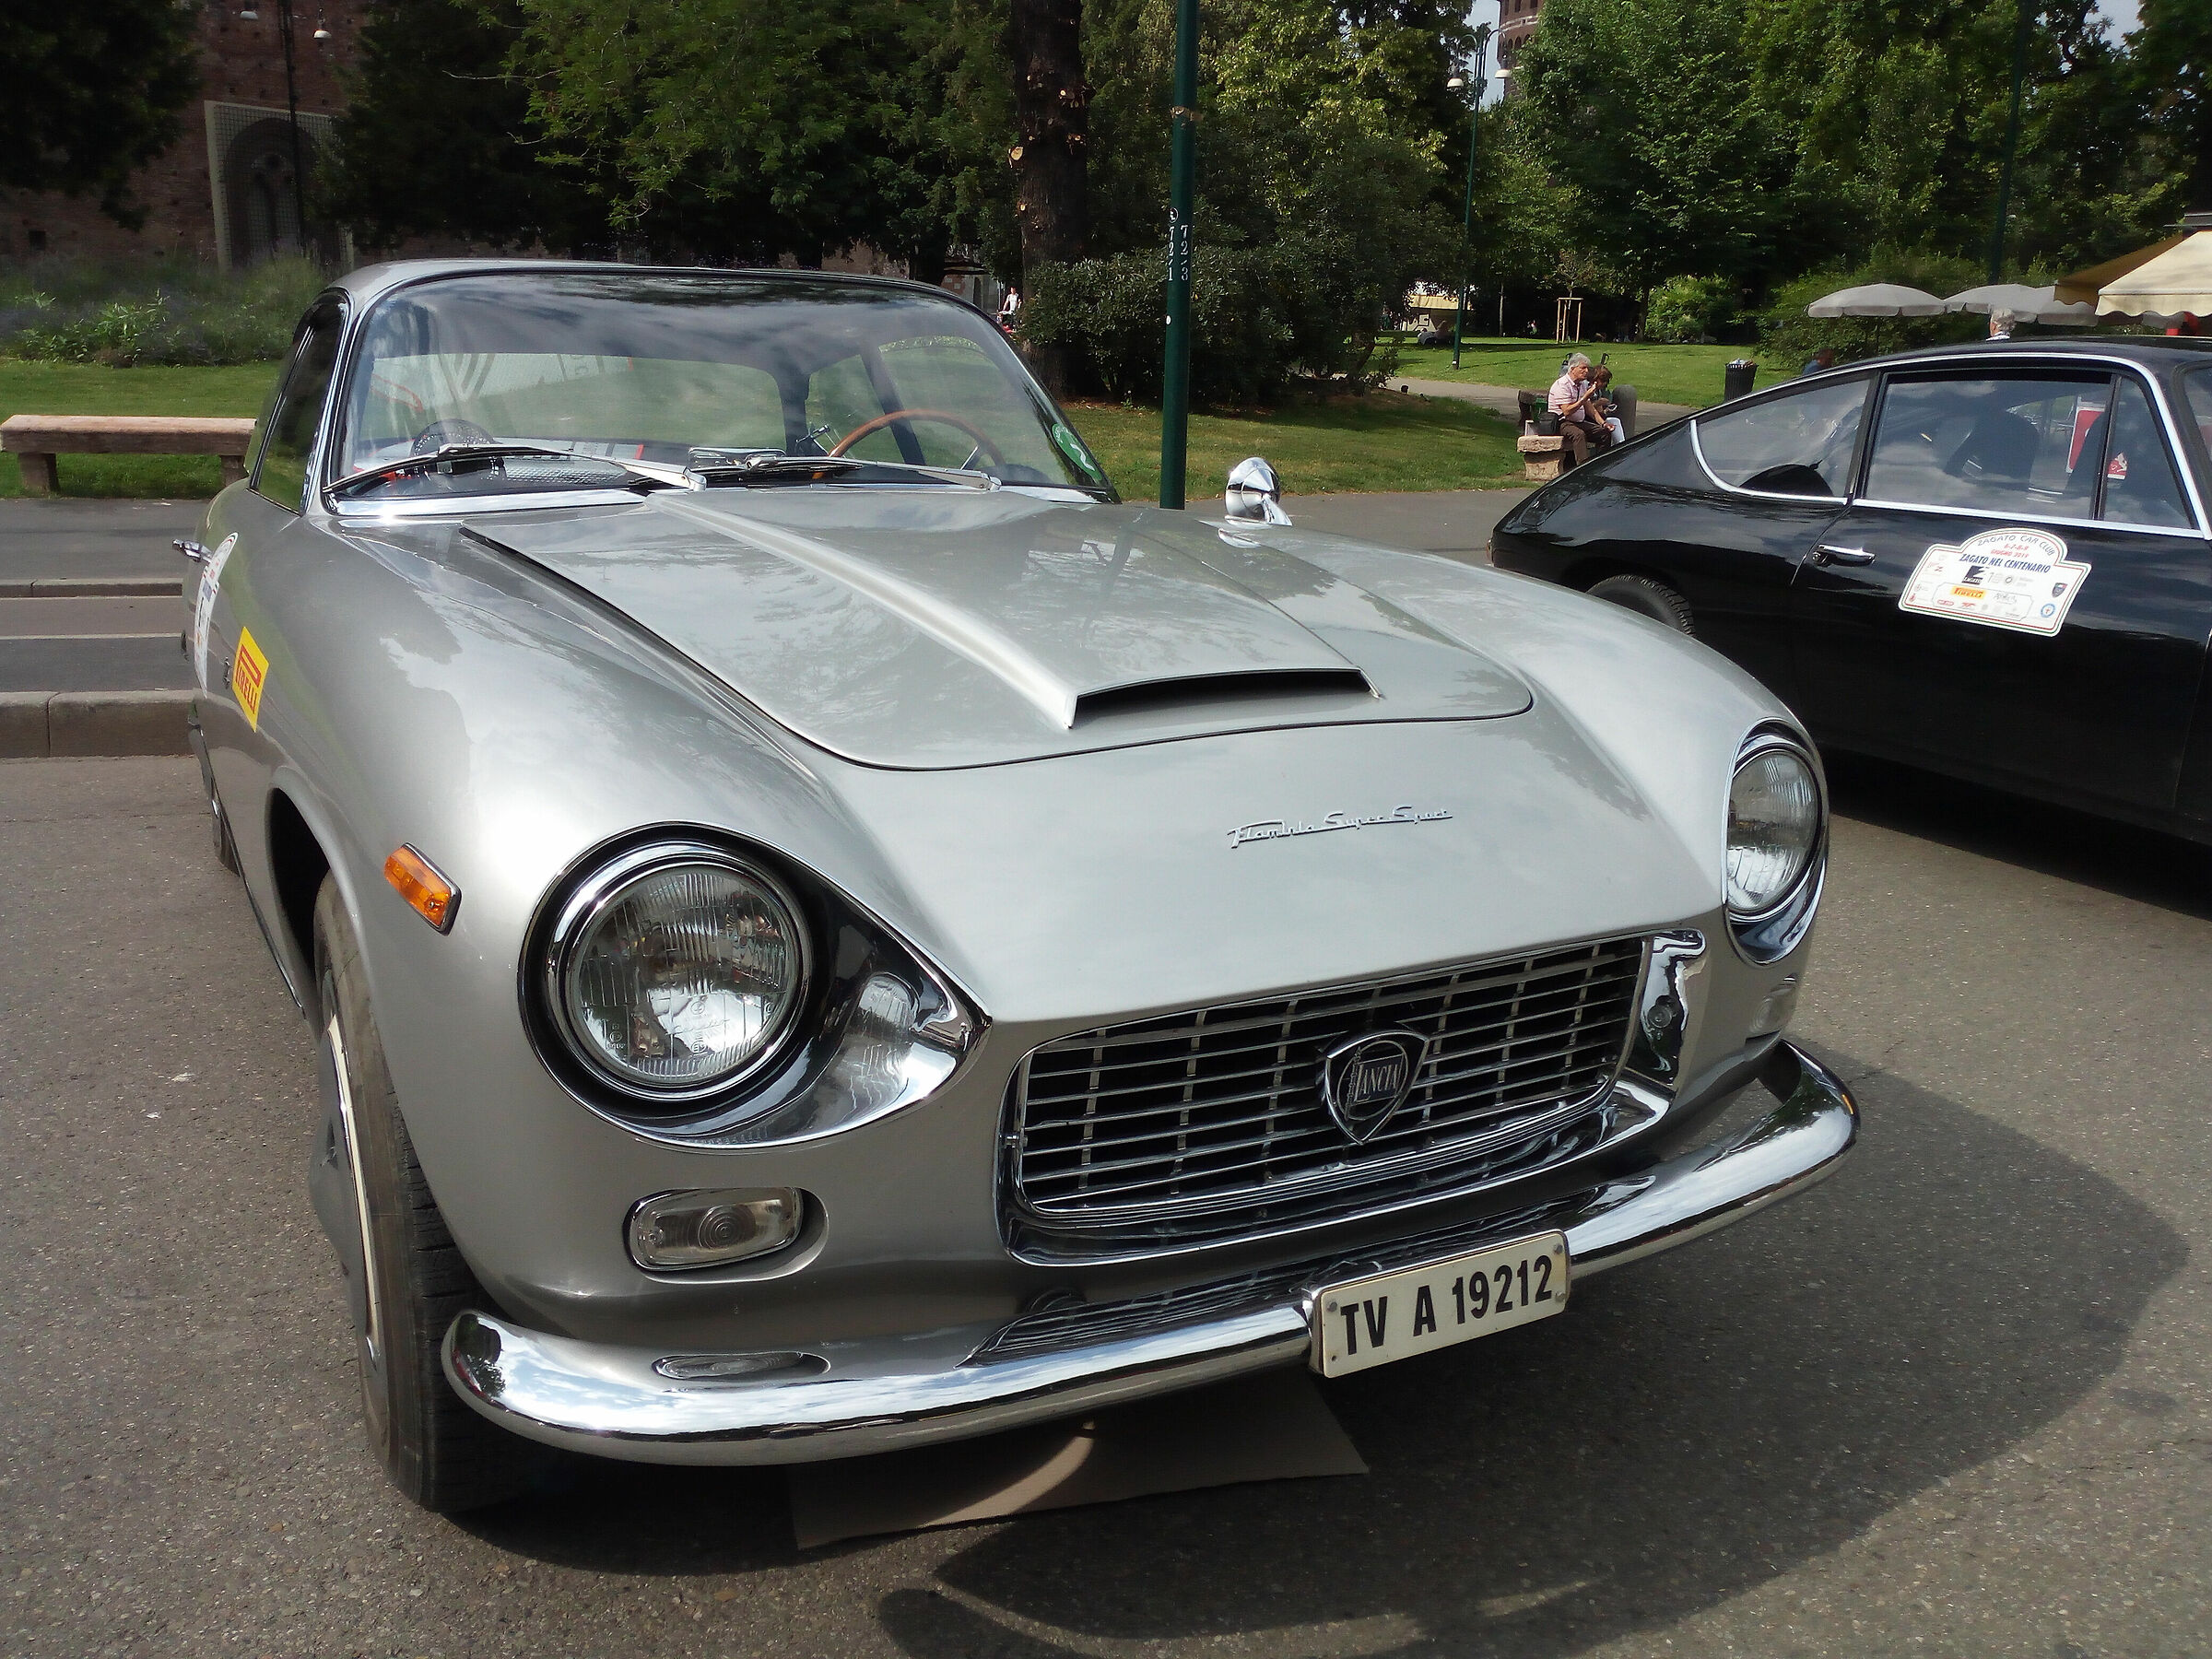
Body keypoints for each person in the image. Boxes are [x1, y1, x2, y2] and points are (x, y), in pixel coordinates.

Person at [1547, 351, 1610, 463]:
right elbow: (1566, 411)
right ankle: (1582, 468)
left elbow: (1590, 409)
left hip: (1578, 422)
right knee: (1579, 435)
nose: (1586, 371)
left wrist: (1604, 424)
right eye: (1583, 368)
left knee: (1604, 433)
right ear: (1572, 369)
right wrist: (1585, 397)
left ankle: (1600, 465)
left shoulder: (1581, 385)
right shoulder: (1562, 385)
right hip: (1562, 422)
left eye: (1587, 368)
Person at [1589, 364, 1629, 446]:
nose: (1604, 384)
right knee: (1614, 422)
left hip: (1596, 419)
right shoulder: (1589, 389)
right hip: (1587, 419)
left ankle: (1620, 444)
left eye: (1606, 382)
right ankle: (1621, 446)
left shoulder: (1598, 391)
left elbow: (1600, 413)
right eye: (1602, 381)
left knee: (1614, 421)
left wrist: (1606, 410)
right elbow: (1585, 408)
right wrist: (1597, 403)